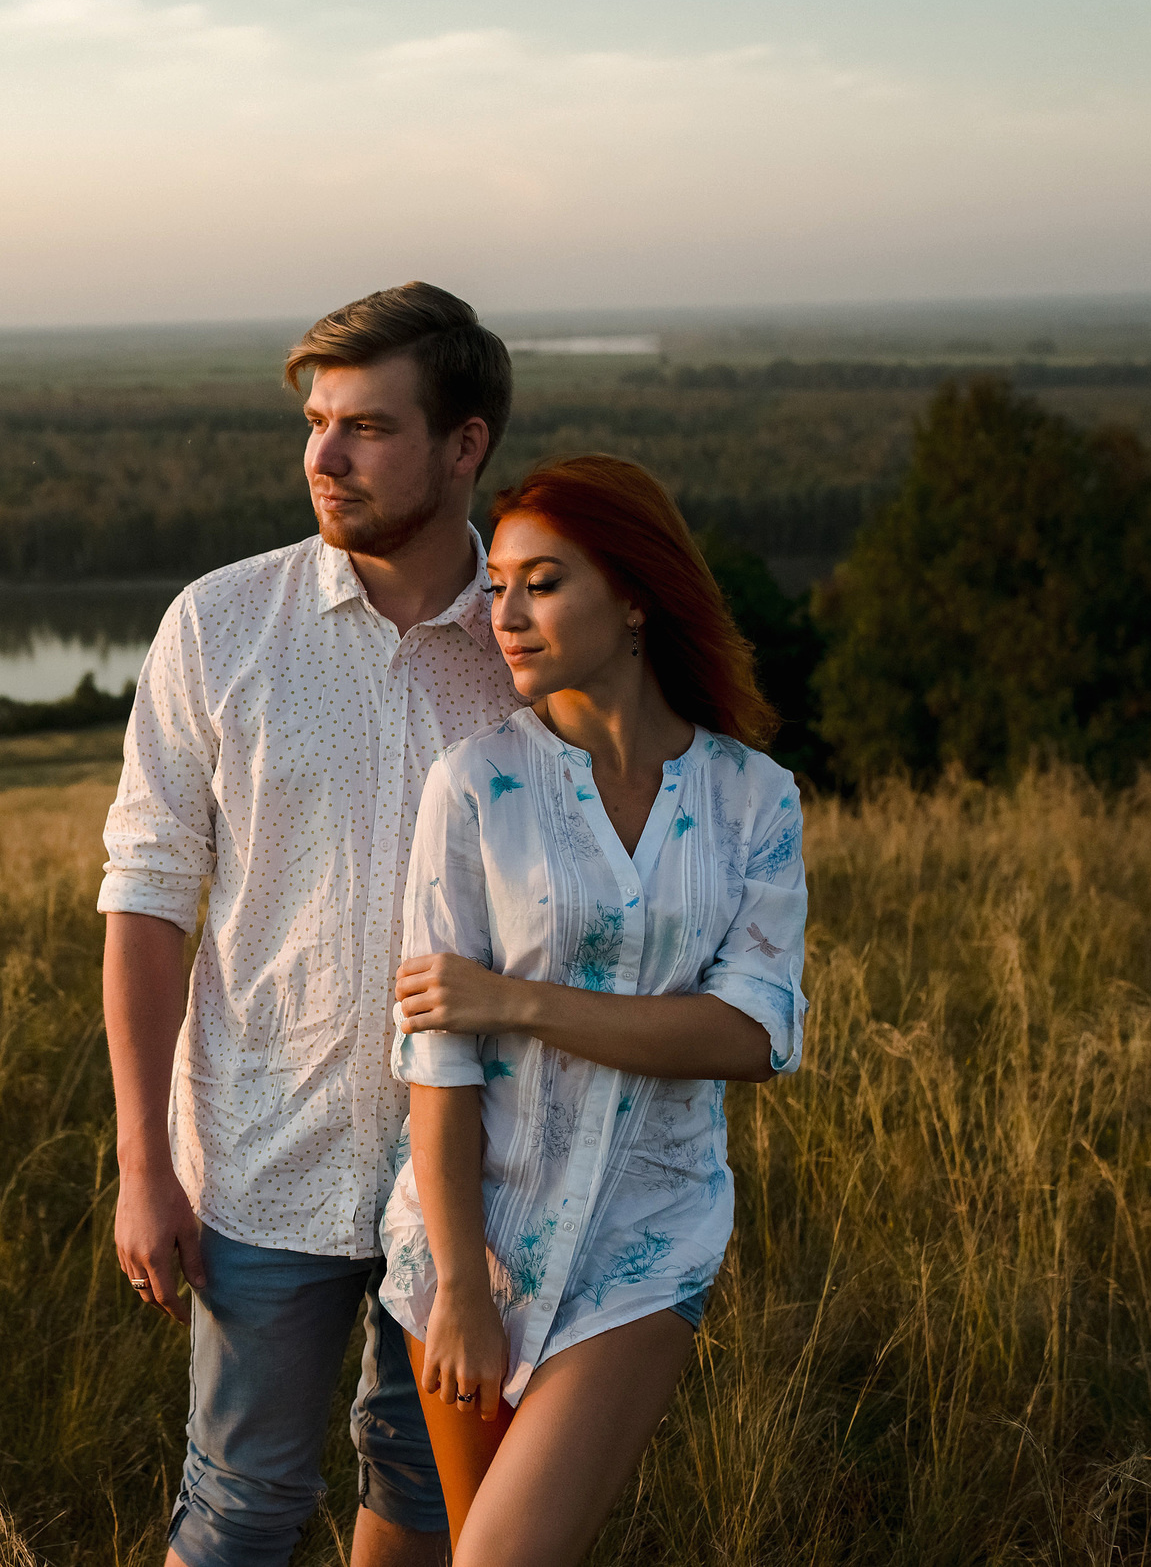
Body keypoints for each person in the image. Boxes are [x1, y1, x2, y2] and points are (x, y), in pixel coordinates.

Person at [100, 282, 527, 1567]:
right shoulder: (221, 624)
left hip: (480, 1180)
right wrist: (141, 1162)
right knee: (239, 1507)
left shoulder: (534, 639)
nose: (322, 458)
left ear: (466, 445)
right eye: (315, 421)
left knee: (426, 1492)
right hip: (257, 1154)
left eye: (367, 427)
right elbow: (148, 895)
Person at [378, 454, 809, 1566]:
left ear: (633, 597)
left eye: (542, 583)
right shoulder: (472, 786)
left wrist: (512, 999)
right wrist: (463, 1287)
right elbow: (440, 1062)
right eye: (499, 585)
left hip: (643, 1241)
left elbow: (749, 1036)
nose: (504, 615)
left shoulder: (750, 798)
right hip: (470, 1253)